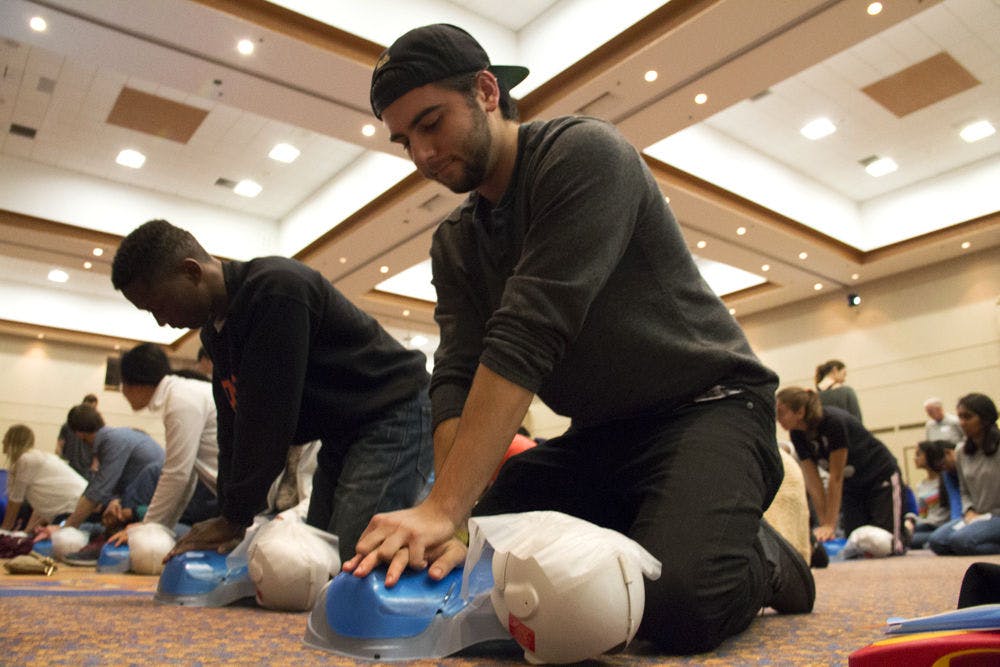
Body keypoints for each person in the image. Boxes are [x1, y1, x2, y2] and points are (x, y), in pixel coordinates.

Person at [346, 24, 815, 655]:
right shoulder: (454, 241)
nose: (423, 154)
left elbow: (528, 332)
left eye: (432, 123)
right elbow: (456, 373)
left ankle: (768, 556)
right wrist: (451, 515)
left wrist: (446, 509)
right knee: (483, 571)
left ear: (486, 91)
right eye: (405, 140)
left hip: (711, 408)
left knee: (676, 603)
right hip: (600, 437)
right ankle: (664, 523)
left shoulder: (583, 154)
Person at [110, 219, 433, 562]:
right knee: (311, 556)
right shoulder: (216, 332)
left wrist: (235, 518)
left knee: (348, 558)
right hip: (344, 431)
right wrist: (228, 514)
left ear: (191, 271)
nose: (161, 321)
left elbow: (268, 425)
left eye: (159, 305)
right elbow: (233, 430)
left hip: (394, 412)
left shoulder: (275, 289)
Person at [105, 342, 219, 545]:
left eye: (123, 384)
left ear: (135, 383)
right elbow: (186, 476)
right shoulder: (182, 393)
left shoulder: (180, 399)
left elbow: (177, 474)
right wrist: (156, 527)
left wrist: (148, 527)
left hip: (259, 497)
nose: (123, 391)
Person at [776, 387, 906, 555]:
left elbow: (835, 477)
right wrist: (824, 524)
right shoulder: (797, 435)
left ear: (800, 412)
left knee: (888, 543)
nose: (777, 419)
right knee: (855, 544)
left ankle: (907, 530)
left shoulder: (833, 422)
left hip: (880, 477)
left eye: (781, 412)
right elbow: (813, 482)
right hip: (853, 485)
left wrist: (830, 525)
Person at [928, 393, 1000, 555]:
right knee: (937, 541)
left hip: (997, 517)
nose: (962, 422)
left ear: (985, 418)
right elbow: (964, 490)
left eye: (967, 417)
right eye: (960, 417)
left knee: (961, 541)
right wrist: (969, 511)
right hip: (975, 516)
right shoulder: (961, 451)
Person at [2, 424, 87, 531]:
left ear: (11, 442)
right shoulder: (38, 458)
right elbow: (41, 505)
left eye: (5, 438)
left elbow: (15, 501)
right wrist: (27, 531)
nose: (2, 442)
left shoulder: (26, 460)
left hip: (72, 508)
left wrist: (4, 530)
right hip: (76, 504)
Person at [906, 440, 952, 549]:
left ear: (929, 455)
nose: (915, 458)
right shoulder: (921, 485)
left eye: (918, 454)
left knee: (910, 541)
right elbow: (922, 514)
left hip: (941, 525)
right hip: (925, 525)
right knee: (903, 535)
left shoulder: (945, 479)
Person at [55, 393, 99, 481]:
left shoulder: (95, 429)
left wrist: (94, 466)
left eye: (94, 409)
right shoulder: (68, 425)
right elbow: (59, 445)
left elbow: (97, 449)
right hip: (69, 465)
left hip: (86, 469)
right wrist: (59, 460)